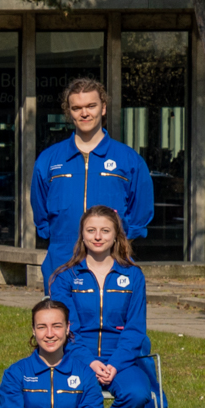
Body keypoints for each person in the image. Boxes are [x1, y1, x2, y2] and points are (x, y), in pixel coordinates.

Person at [46, 205, 166, 408]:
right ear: (82, 235)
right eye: (91, 230)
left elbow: (135, 329)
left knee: (137, 393)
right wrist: (90, 362)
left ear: (116, 236)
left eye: (105, 231)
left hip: (120, 360)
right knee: (67, 395)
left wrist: (115, 365)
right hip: (77, 358)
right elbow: (67, 330)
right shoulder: (65, 277)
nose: (98, 237)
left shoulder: (133, 276)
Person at [33, 77, 154, 282]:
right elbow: (40, 215)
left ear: (103, 108)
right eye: (77, 108)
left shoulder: (129, 160)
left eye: (91, 106)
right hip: (61, 264)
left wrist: (117, 245)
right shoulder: (49, 160)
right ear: (69, 112)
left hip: (113, 266)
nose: (84, 113)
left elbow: (140, 214)